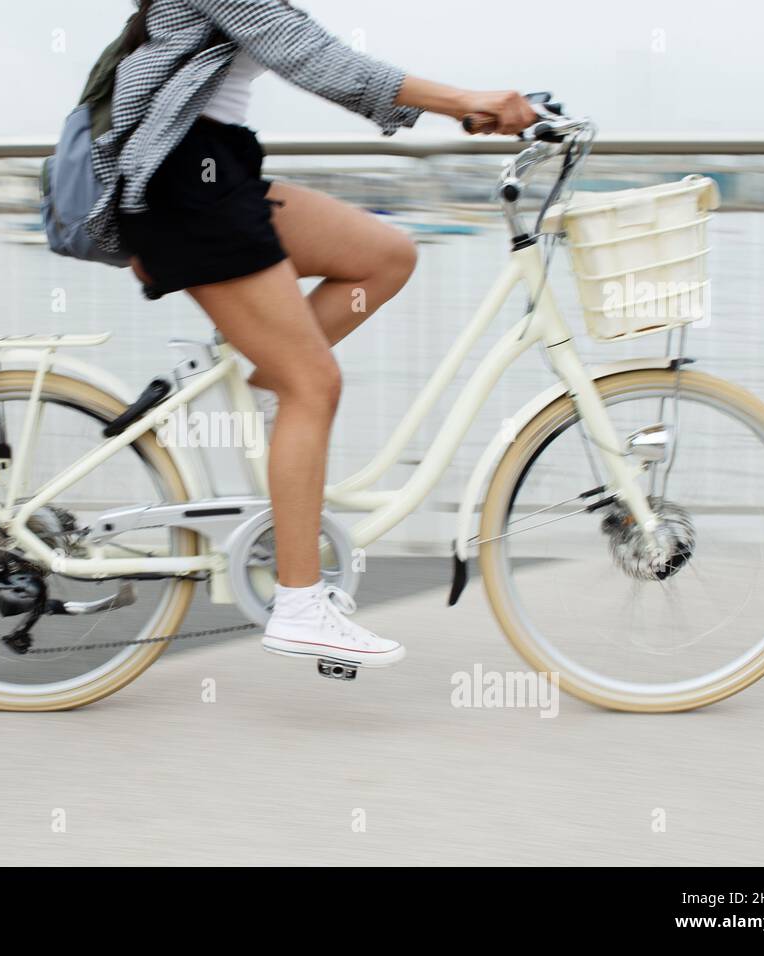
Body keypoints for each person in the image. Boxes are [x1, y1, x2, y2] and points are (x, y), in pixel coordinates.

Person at [87, 0, 537, 668]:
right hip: (186, 187)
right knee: (315, 384)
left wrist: (470, 106)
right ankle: (299, 603)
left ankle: (273, 384)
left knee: (384, 256)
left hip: (215, 174)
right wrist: (465, 99)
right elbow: (315, 58)